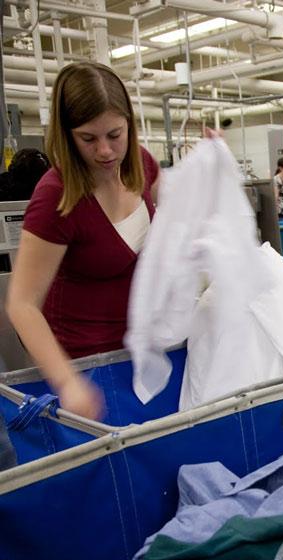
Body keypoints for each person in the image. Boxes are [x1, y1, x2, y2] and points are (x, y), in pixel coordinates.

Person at [6, 61, 160, 421]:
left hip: (137, 353)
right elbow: (22, 304)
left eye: (115, 135)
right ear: (67, 135)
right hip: (84, 364)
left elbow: (172, 216)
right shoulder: (57, 197)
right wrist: (68, 382)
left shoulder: (142, 164)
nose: (105, 151)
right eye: (88, 139)